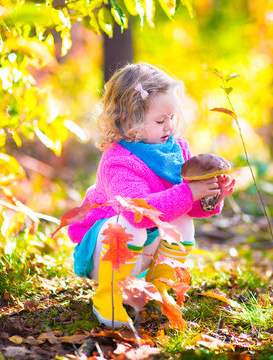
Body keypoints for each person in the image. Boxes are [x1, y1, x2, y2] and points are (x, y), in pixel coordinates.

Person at [68, 62, 235, 327]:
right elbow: (137, 212)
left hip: (144, 252)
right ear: (127, 122)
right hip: (105, 251)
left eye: (171, 118)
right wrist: (188, 191)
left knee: (183, 222)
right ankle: (107, 296)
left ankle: (159, 291)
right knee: (129, 226)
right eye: (160, 120)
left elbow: (186, 206)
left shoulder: (176, 149)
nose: (169, 126)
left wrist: (211, 195)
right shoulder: (118, 161)